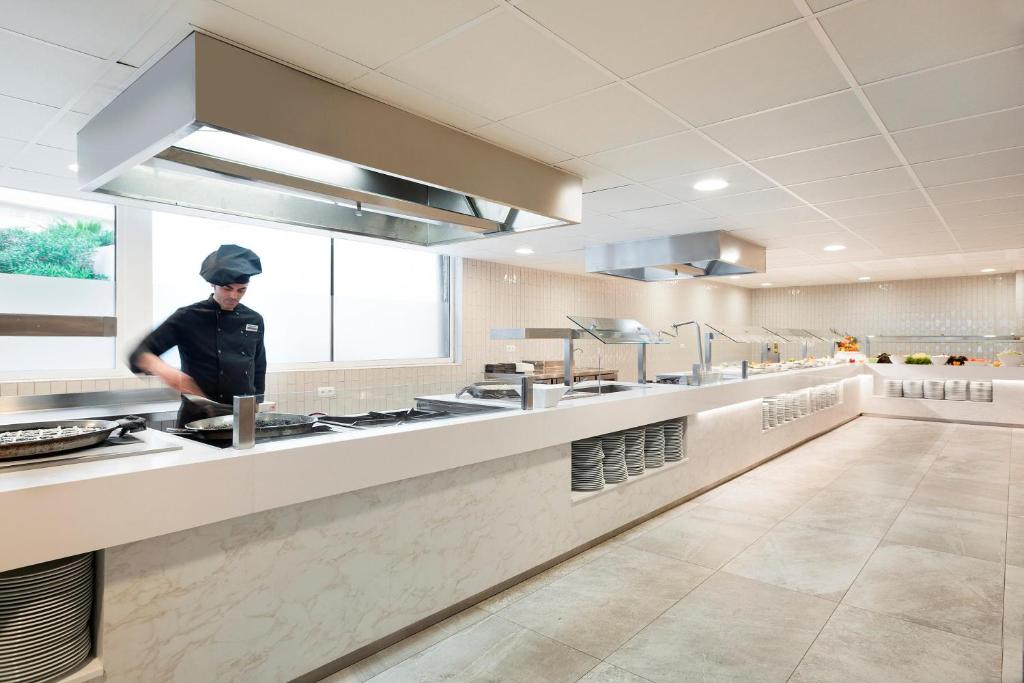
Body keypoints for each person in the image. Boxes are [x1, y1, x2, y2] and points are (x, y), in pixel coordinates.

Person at [130, 244, 266, 426]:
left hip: (240, 416)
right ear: (213, 284)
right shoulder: (188, 316)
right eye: (227, 288)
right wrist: (165, 370)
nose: (234, 296)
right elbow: (138, 353)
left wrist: (256, 402)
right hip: (197, 415)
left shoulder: (254, 319)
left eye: (241, 290)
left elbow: (258, 365)